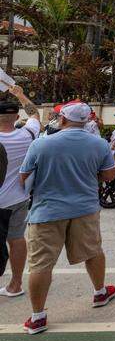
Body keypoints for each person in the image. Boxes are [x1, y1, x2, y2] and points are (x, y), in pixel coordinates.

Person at [18, 102, 115, 334]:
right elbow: (109, 175)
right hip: (85, 208)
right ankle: (100, 292)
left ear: (62, 119)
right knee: (93, 251)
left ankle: (38, 317)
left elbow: (23, 176)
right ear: (86, 121)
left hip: (46, 212)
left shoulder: (41, 144)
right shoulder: (99, 144)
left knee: (41, 264)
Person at [0, 85, 41, 299]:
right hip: (20, 197)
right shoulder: (28, 134)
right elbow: (34, 113)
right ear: (16, 116)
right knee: (16, 239)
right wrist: (20, 94)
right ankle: (15, 284)